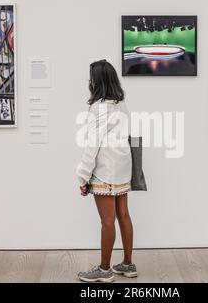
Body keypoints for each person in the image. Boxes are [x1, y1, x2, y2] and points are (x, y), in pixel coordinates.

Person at [76, 60, 137, 283]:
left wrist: (82, 176)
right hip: (123, 167)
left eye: (91, 77)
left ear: (97, 81)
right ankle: (128, 264)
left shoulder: (99, 107)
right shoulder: (121, 104)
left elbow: (92, 145)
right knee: (124, 215)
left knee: (107, 221)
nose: (89, 81)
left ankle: (104, 270)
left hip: (105, 170)